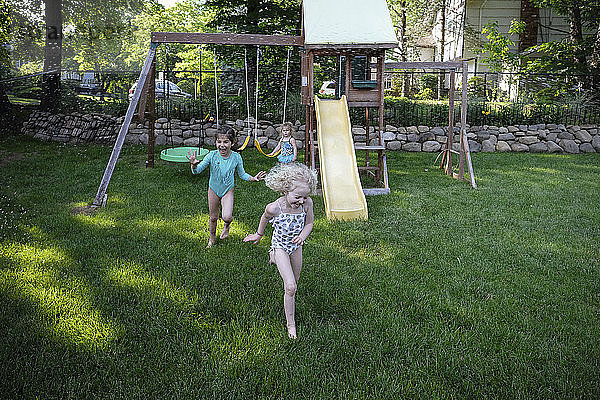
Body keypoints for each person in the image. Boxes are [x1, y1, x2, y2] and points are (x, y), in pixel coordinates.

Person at [244, 162, 317, 339]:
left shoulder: (307, 204)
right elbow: (264, 218)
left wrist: (303, 236)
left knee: (296, 281)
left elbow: (309, 223)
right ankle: (290, 325)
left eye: (305, 197)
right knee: (290, 287)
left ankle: (274, 258)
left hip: (296, 246)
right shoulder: (274, 207)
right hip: (281, 246)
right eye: (298, 197)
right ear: (285, 190)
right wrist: (258, 235)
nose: (301, 201)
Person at [187, 126, 266, 248]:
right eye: (219, 142)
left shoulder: (236, 157)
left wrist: (253, 178)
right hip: (213, 189)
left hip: (227, 190)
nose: (222, 145)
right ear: (215, 142)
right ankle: (212, 238)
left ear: (232, 143)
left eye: (226, 142)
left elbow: (242, 174)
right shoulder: (211, 155)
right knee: (213, 218)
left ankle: (227, 225)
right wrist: (193, 165)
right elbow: (197, 171)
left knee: (227, 217)